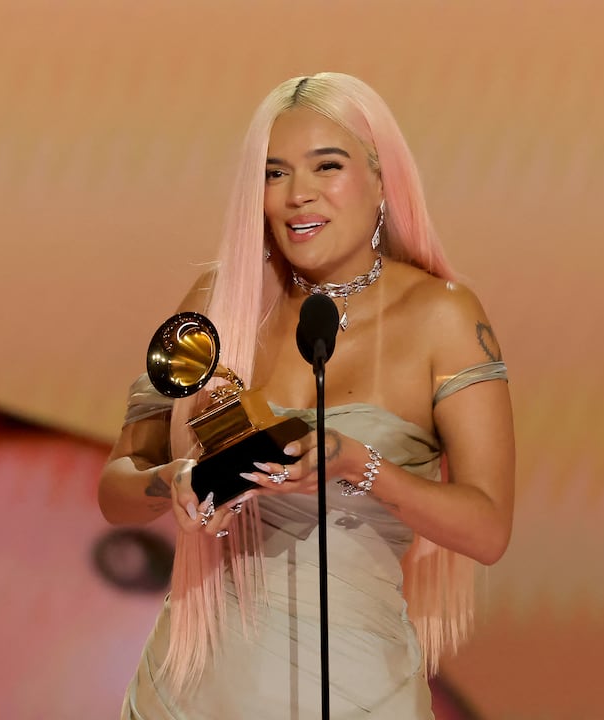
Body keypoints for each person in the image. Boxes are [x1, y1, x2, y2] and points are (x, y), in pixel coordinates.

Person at [98, 72, 515, 719]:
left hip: (355, 693)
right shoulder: (217, 303)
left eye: (327, 166)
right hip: (189, 694)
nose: (298, 195)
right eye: (274, 173)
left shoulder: (443, 316)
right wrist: (173, 481)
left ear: (382, 179)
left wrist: (359, 465)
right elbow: (116, 488)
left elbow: (488, 530)